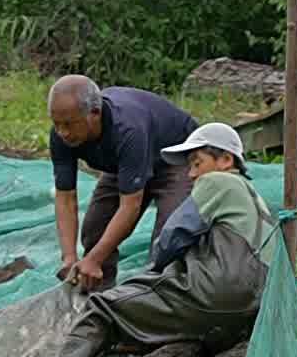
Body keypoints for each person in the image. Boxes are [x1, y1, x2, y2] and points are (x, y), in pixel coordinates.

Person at [18, 121, 278, 357]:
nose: (191, 175)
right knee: (153, 305)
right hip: (254, 309)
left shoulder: (218, 182)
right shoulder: (257, 200)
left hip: (218, 290)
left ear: (226, 160)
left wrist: (146, 277)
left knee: (104, 306)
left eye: (197, 163)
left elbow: (173, 237)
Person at [47, 73, 200, 290]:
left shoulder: (127, 128)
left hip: (175, 159)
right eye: (57, 124)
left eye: (70, 124)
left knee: (169, 236)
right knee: (95, 228)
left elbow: (130, 206)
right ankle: (100, 297)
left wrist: (94, 259)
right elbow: (65, 198)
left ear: (94, 113)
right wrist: (69, 258)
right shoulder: (61, 136)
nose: (63, 132)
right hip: (125, 163)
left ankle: (160, 299)